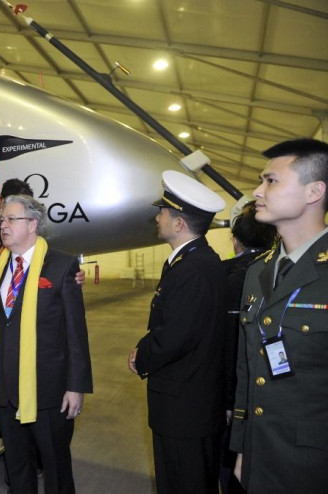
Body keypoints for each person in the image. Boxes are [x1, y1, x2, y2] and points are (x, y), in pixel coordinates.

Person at [230, 138, 328, 493]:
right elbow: (248, 369)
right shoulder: (259, 272)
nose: (258, 191)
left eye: (271, 181)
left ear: (314, 191)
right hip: (262, 452)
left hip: (314, 465)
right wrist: (242, 447)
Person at [0, 194, 93, 494]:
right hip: (6, 393)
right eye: (2, 220)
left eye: (11, 219)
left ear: (33, 224)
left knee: (56, 467)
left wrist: (76, 387)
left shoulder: (62, 266)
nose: (2, 225)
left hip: (49, 393)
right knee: (18, 468)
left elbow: (75, 332)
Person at [128, 170, 226, 494]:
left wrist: (142, 357)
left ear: (179, 223)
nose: (157, 217)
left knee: (184, 483)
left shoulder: (193, 270)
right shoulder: (192, 262)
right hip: (186, 407)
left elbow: (173, 337)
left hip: (186, 411)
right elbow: (168, 322)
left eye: (163, 212)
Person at [219, 200, 276, 494]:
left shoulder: (223, 275)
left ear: (236, 239)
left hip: (228, 396)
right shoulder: (279, 271)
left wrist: (228, 400)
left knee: (230, 470)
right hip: (271, 400)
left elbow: (224, 345)